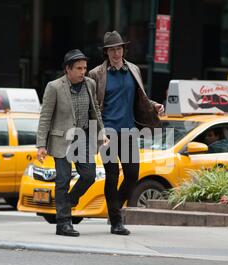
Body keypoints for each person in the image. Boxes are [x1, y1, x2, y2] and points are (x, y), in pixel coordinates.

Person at [88, 31, 164, 236]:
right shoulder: (97, 74)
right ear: (106, 52)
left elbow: (141, 97)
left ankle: (114, 210)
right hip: (108, 133)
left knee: (132, 175)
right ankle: (116, 221)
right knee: (112, 177)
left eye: (119, 48)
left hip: (129, 131)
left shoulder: (134, 70)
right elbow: (92, 105)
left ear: (124, 50)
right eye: (112, 49)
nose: (116, 53)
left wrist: (154, 105)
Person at [36, 49, 107, 237]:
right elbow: (45, 117)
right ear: (68, 69)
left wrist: (102, 133)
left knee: (89, 175)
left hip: (83, 137)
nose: (83, 72)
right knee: (62, 180)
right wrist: (41, 145)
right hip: (61, 139)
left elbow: (95, 111)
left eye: (84, 68)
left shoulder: (90, 84)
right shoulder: (54, 87)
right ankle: (63, 223)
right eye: (78, 68)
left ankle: (67, 203)